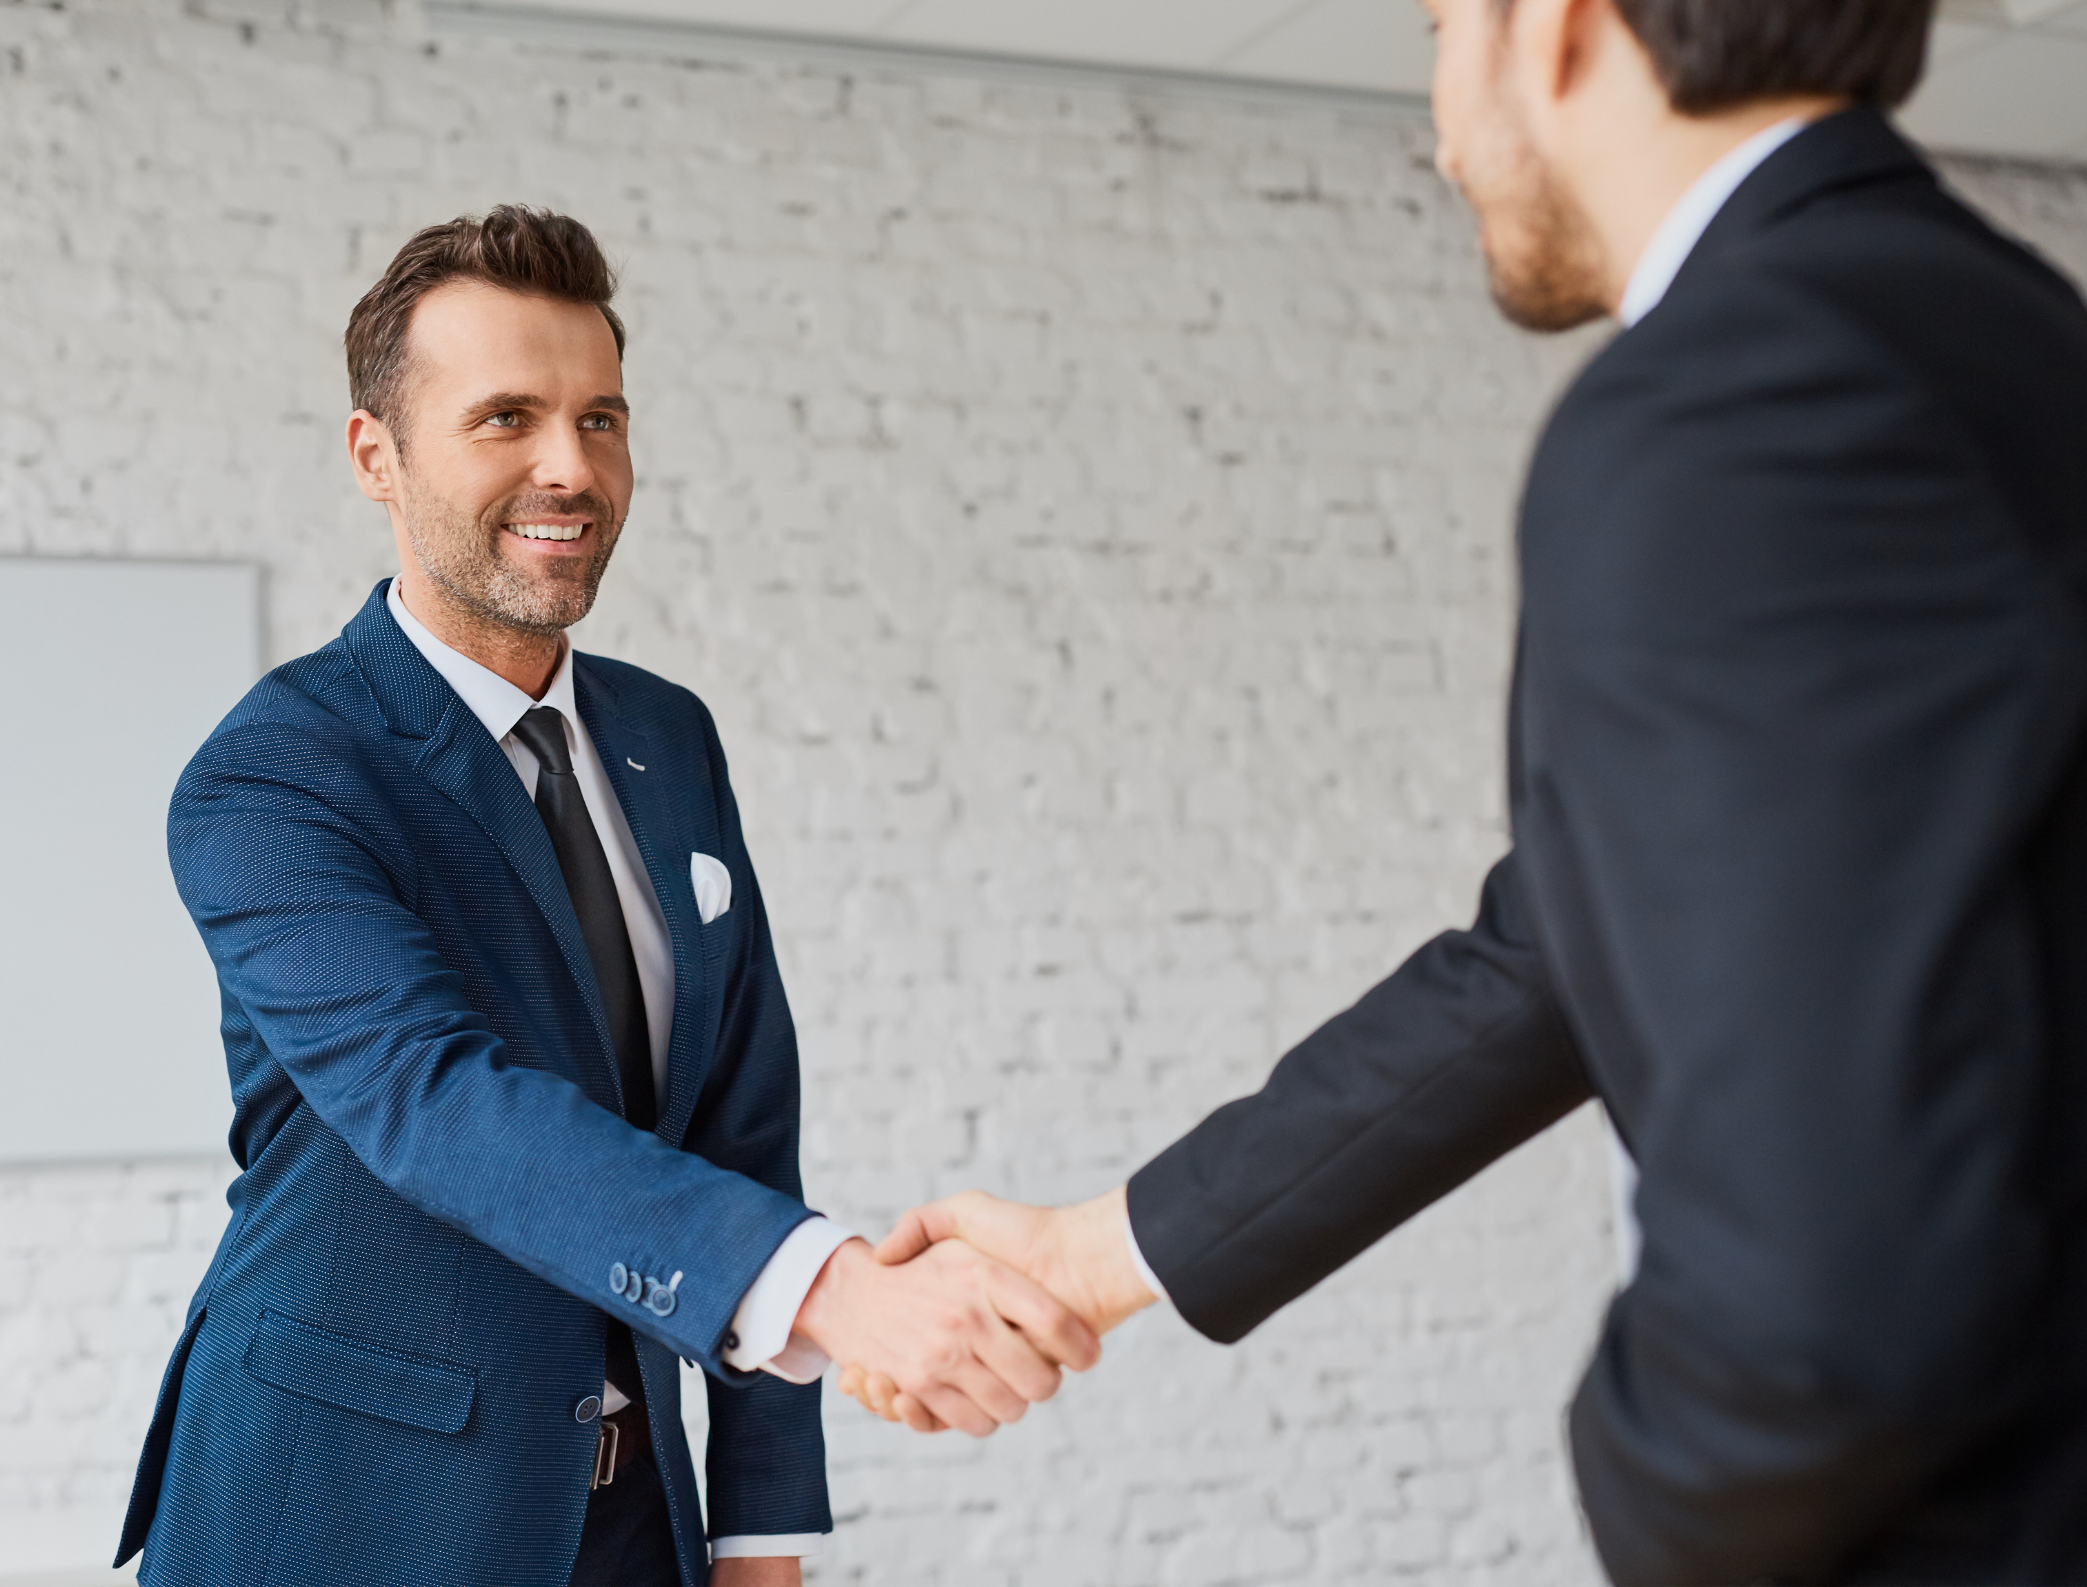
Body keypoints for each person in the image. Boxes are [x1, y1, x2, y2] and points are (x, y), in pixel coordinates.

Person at [856, 0, 2087, 1580]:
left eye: (1440, 27)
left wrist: (1663, 1499)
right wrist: (1099, 1253)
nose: (1439, 126)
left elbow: (1825, 1290)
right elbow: (1561, 945)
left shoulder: (1732, 409)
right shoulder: (2013, 331)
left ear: (1551, 24)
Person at [114, 207, 1097, 1587]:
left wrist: (762, 1526)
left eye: (603, 418)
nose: (569, 468)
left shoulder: (669, 735)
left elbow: (746, 1130)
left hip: (638, 1523)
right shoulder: (276, 775)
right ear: (375, 457)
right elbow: (438, 1101)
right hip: (344, 1518)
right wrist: (832, 1292)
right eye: (506, 416)